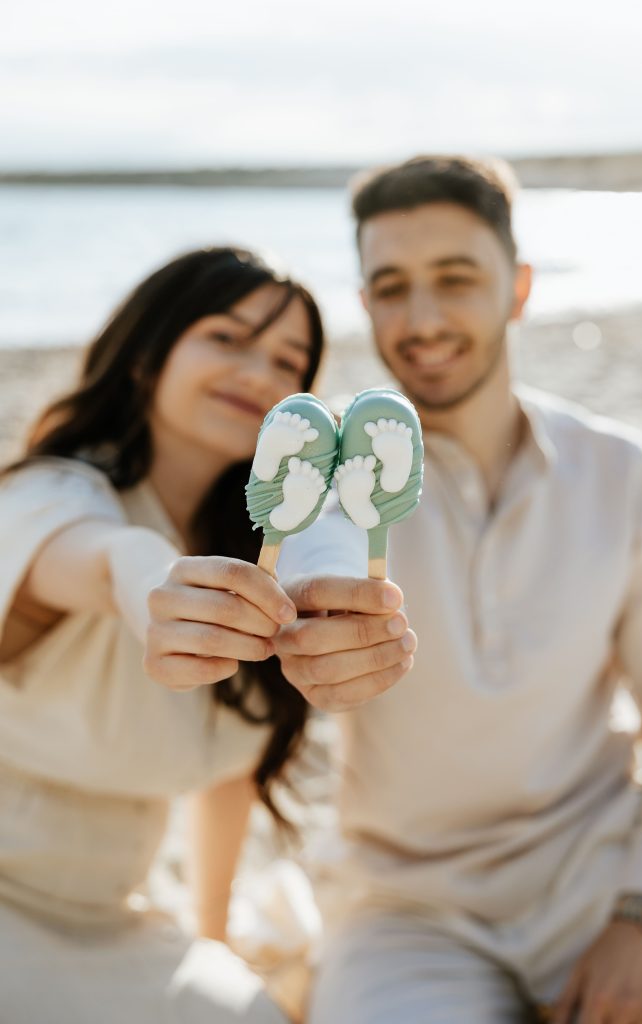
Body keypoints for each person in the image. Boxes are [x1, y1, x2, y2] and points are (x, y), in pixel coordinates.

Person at [275, 157, 642, 1023]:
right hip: (403, 910)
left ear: (519, 287)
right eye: (390, 287)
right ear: (365, 300)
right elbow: (311, 560)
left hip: (600, 872)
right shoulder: (330, 473)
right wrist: (320, 623)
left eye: (454, 279)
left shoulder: (618, 472)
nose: (421, 320)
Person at [0, 246, 415, 1023]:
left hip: (118, 918)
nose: (259, 372)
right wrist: (150, 582)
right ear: (147, 354)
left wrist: (213, 939)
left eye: (286, 360)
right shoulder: (52, 494)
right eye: (226, 338)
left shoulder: (262, 552)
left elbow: (229, 774)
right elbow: (94, 559)